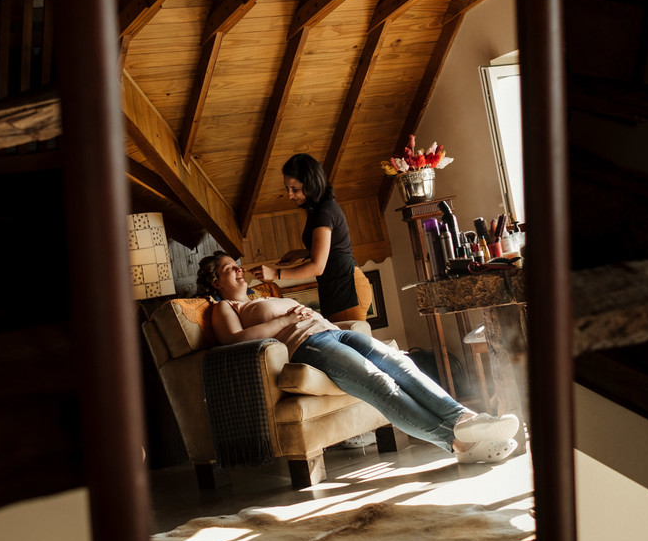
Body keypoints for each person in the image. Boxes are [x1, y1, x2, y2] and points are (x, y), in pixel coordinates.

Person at [198, 252, 519, 463]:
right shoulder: (225, 308)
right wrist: (286, 320)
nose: (239, 270)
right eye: (229, 268)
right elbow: (233, 341)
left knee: (401, 363)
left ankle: (466, 420)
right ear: (216, 282)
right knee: (378, 383)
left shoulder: (260, 296)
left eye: (237, 265)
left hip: (332, 331)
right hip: (309, 344)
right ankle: (458, 442)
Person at [249, 153, 369, 323]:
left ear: (311, 185)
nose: (289, 195)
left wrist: (275, 274)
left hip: (347, 289)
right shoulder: (320, 209)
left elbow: (317, 267)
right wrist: (302, 253)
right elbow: (334, 248)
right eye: (287, 188)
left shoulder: (324, 212)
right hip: (337, 288)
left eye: (295, 189)